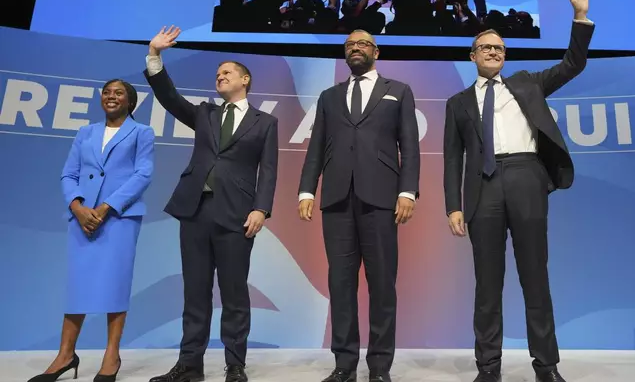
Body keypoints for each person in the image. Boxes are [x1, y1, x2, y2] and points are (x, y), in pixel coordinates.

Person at [442, 0, 594, 382]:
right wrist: (453, 207)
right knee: (487, 285)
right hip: (482, 189)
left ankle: (546, 367)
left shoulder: (527, 84)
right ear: (472, 56)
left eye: (499, 48)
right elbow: (452, 158)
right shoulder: (457, 103)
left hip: (526, 177)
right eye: (485, 47)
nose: (493, 51)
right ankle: (488, 368)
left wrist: (580, 17)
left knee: (535, 277)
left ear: (505, 56)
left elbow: (572, 64)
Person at [144, 26, 278, 382]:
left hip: (238, 216)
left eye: (226, 73)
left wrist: (261, 209)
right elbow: (170, 98)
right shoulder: (205, 114)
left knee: (234, 295)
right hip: (195, 211)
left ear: (245, 80)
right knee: (195, 292)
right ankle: (190, 364)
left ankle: (235, 365)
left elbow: (270, 170)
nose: (219, 77)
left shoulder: (266, 123)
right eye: (217, 74)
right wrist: (155, 56)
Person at [298, 29, 420, 382]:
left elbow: (409, 147)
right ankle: (344, 365)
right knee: (340, 284)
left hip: (382, 199)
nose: (355, 48)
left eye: (362, 43)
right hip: (336, 199)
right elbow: (316, 147)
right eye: (350, 44)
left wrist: (407, 192)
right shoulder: (329, 96)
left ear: (376, 51)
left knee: (382, 285)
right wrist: (307, 191)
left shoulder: (398, 91)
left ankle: (380, 367)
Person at [28, 79, 155, 382]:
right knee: (78, 286)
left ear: (130, 101)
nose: (111, 97)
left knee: (115, 284)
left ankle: (111, 356)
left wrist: (107, 206)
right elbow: (69, 173)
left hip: (119, 219)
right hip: (81, 219)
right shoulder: (85, 132)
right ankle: (65, 355)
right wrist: (77, 207)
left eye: (118, 93)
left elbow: (143, 174)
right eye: (107, 92)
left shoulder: (142, 132)